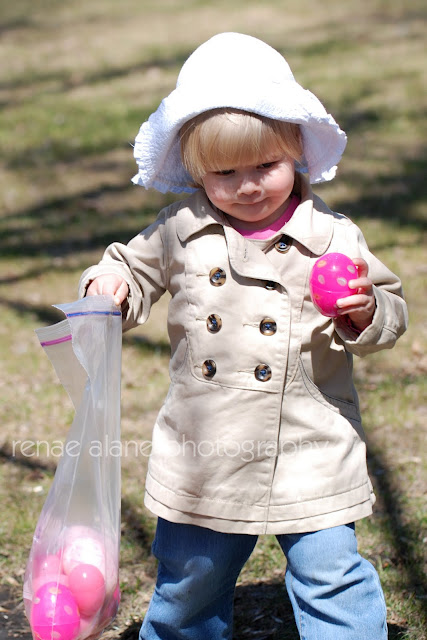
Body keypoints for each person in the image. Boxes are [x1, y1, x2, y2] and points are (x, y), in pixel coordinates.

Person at [80, 32, 408, 640]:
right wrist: (111, 287)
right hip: (207, 442)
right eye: (225, 173)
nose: (249, 185)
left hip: (309, 442)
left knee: (332, 576)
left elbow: (389, 308)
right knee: (190, 581)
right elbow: (133, 267)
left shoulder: (334, 235)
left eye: (266, 166)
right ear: (196, 171)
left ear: (297, 152)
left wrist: (364, 313)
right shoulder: (181, 229)